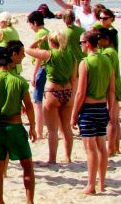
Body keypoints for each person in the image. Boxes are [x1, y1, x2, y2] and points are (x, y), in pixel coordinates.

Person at [0, 46, 36, 204]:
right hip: (15, 126)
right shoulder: (19, 81)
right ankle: (29, 201)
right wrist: (32, 126)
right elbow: (29, 106)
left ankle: (0, 201)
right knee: (27, 165)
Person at [71, 30, 116, 194]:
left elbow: (80, 92)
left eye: (81, 43)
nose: (81, 46)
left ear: (88, 44)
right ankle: (102, 183)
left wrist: (74, 114)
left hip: (89, 109)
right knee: (101, 147)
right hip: (102, 107)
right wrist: (110, 109)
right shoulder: (107, 60)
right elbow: (111, 90)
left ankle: (91, 185)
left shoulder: (86, 63)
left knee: (90, 148)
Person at [25, 31, 75, 165]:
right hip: (68, 91)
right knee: (66, 127)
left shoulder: (49, 54)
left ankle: (52, 159)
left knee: (52, 129)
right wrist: (73, 94)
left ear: (51, 42)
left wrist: (38, 40)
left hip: (53, 92)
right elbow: (73, 78)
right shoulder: (71, 55)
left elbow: (27, 49)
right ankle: (68, 156)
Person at [27, 11, 49, 140]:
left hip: (42, 68)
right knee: (43, 100)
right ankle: (43, 129)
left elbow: (39, 56)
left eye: (30, 24)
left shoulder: (40, 34)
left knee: (37, 101)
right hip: (48, 67)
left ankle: (39, 132)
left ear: (35, 23)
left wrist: (34, 74)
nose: (30, 27)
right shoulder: (46, 31)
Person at [97, 28, 120, 156]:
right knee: (115, 119)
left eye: (100, 38)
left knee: (111, 119)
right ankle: (115, 146)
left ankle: (111, 148)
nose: (98, 41)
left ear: (107, 39)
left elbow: (108, 73)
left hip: (111, 87)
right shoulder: (112, 51)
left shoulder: (108, 53)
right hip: (116, 85)